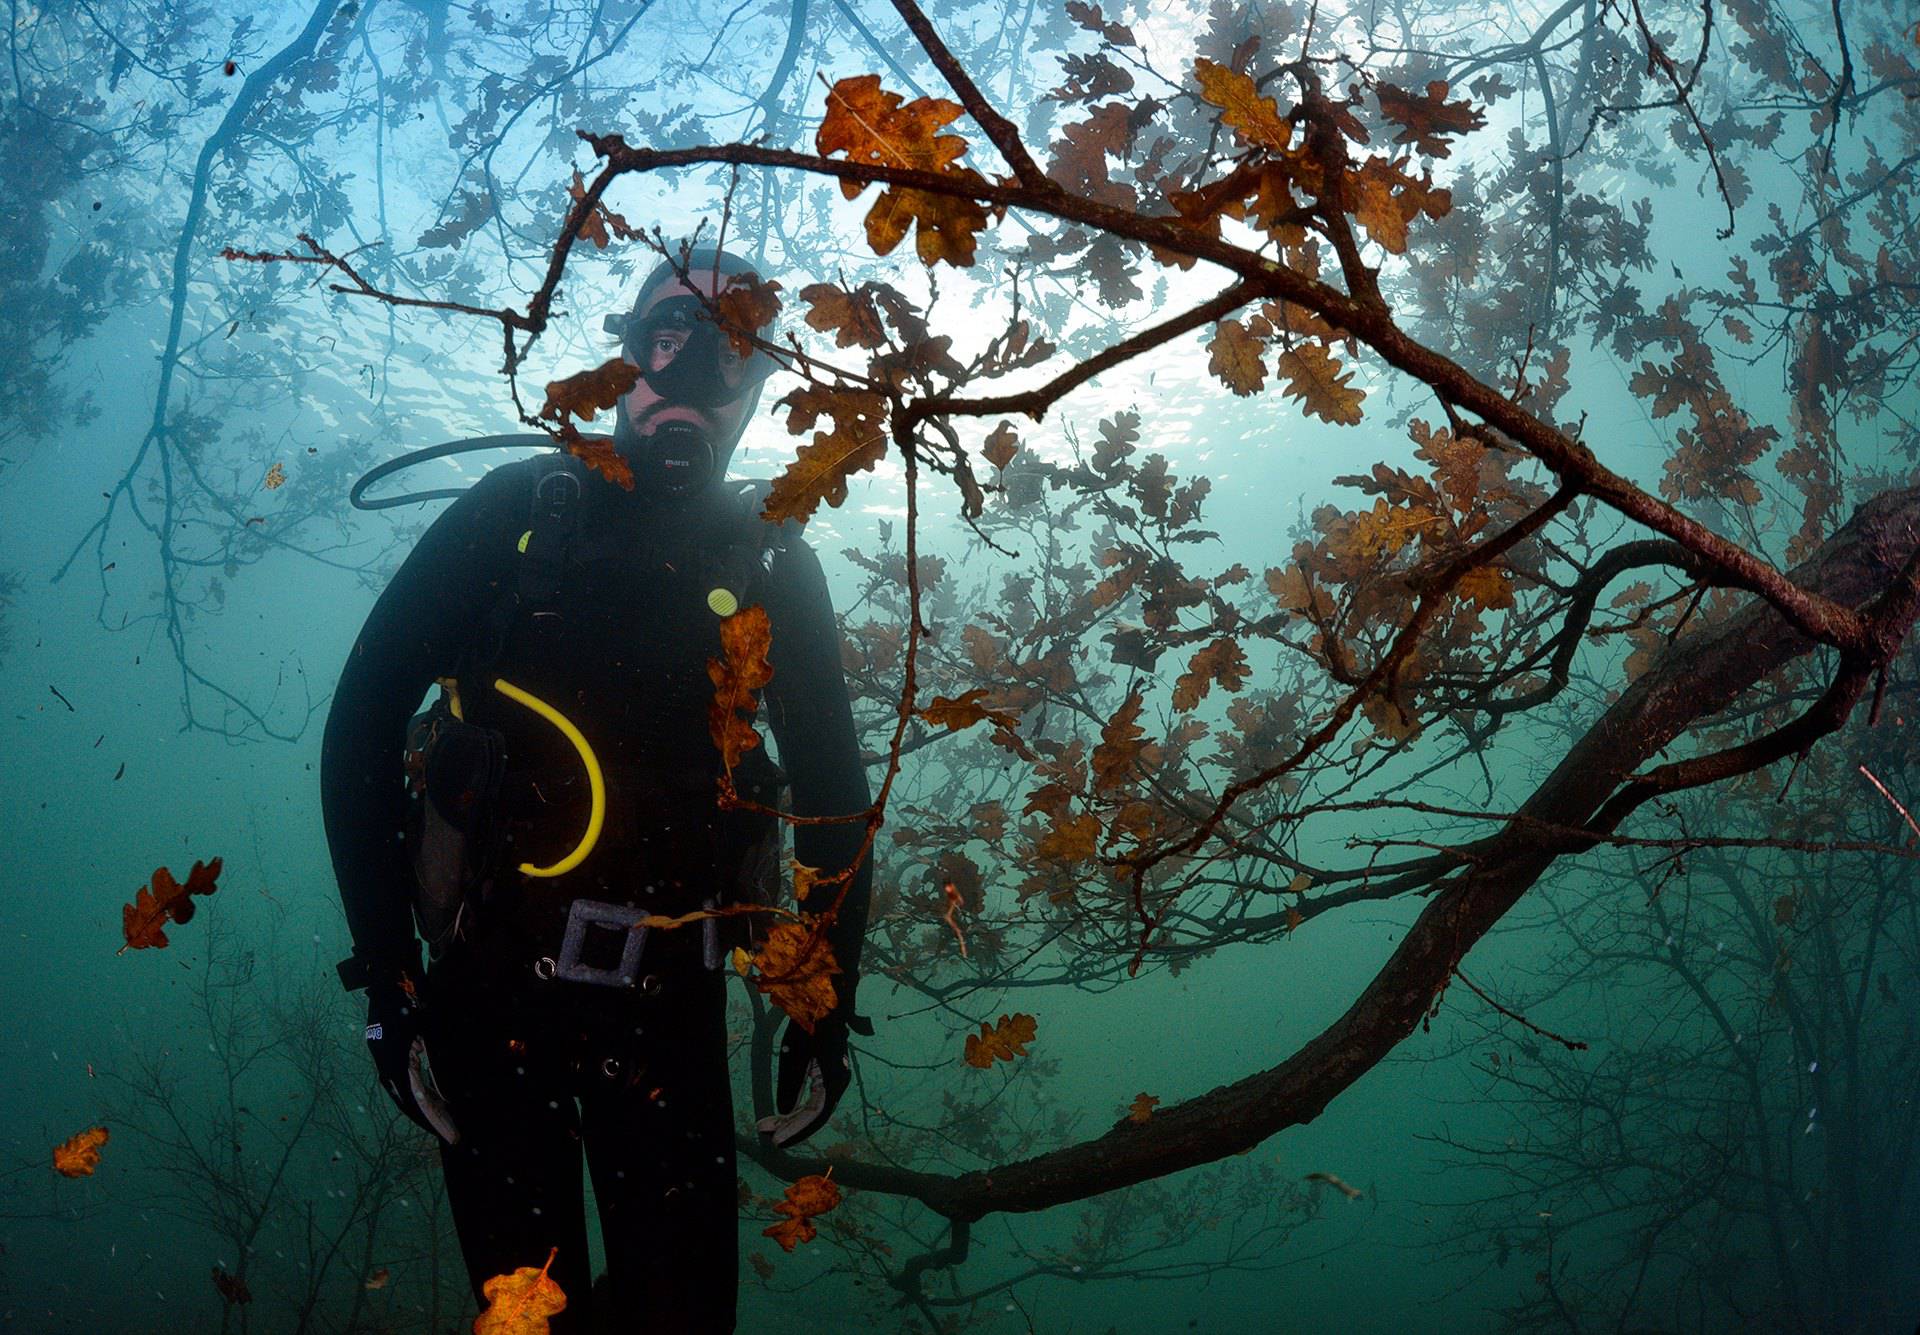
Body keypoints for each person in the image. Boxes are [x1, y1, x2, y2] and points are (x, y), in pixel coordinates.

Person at [319, 245, 873, 1333]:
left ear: (761, 388)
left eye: (735, 354)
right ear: (624, 357)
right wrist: (389, 980)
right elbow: (358, 732)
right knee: (528, 1319)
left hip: (670, 1011)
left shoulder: (772, 560)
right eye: (670, 338)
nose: (695, 380)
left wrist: (825, 999)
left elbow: (838, 799)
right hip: (486, 997)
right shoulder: (518, 512)